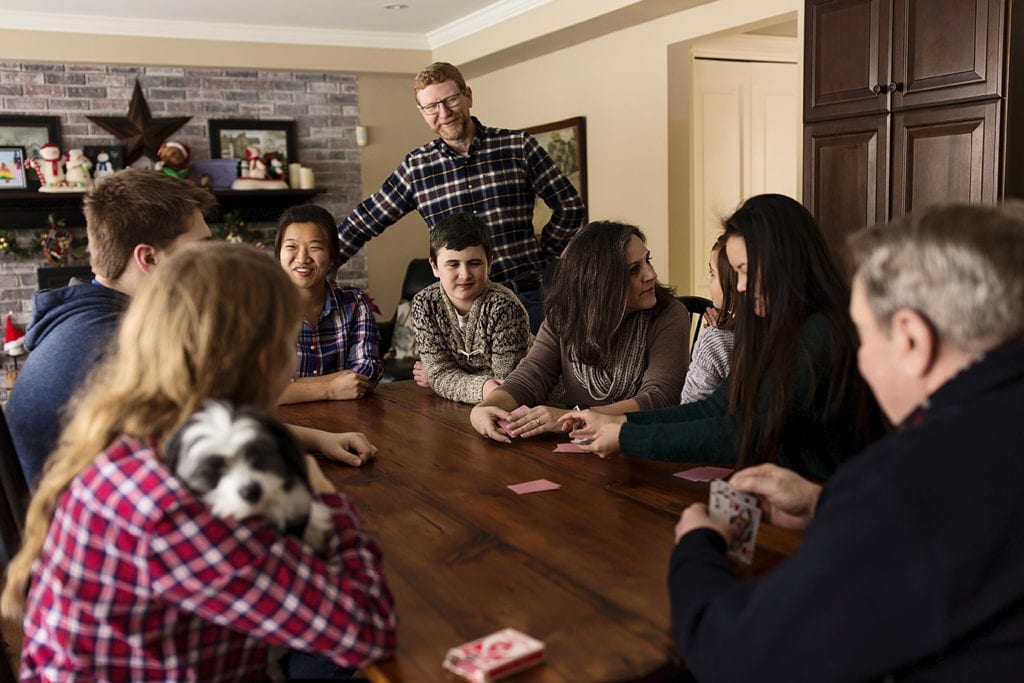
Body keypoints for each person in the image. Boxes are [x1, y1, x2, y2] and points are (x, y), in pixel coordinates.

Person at [0, 243, 397, 680]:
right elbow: (366, 627)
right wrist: (317, 486)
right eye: (292, 341)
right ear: (267, 359)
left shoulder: (133, 437)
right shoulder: (183, 501)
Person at [669, 202, 1024, 681]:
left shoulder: (904, 484)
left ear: (912, 340)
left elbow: (729, 652)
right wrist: (825, 502)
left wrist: (696, 545)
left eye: (864, 335)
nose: (860, 362)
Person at [563, 194, 885, 480]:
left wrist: (626, 436)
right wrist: (618, 422)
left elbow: (744, 433)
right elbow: (714, 408)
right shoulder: (777, 327)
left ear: (782, 261)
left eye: (744, 270)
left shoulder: (821, 332)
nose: (740, 286)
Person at [337, 61, 587, 333]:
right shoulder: (416, 168)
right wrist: (317, 265)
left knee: (536, 375)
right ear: (422, 112)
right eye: (432, 106)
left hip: (525, 297)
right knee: (468, 378)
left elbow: (570, 206)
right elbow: (365, 220)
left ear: (468, 96)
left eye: (451, 99)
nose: (443, 112)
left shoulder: (518, 147)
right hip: (460, 309)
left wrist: (543, 253)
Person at [6, 169, 215, 486]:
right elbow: (203, 455)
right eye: (200, 250)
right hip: (69, 529)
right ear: (150, 258)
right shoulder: (119, 348)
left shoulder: (82, 316)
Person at [470, 220, 689, 441]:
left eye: (647, 260)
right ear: (599, 281)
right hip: (578, 446)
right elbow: (531, 375)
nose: (651, 273)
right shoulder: (564, 314)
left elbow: (660, 398)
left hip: (639, 441)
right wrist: (485, 407)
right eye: (634, 270)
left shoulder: (669, 314)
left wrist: (571, 417)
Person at [409, 212, 532, 404]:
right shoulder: (424, 305)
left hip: (529, 403)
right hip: (465, 405)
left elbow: (505, 387)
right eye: (453, 264)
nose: (464, 275)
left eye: (474, 263)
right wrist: (482, 385)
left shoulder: (505, 307)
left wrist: (445, 378)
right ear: (434, 266)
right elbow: (439, 374)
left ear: (489, 263)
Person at [274, 204, 383, 404]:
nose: (302, 258)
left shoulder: (355, 302)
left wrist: (294, 387)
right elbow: (258, 389)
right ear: (278, 254)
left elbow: (368, 369)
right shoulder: (259, 308)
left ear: (333, 257)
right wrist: (330, 388)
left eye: (314, 247)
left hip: (346, 420)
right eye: (291, 246)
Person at [680, 233, 736, 403]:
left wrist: (715, 336)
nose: (707, 277)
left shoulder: (716, 340)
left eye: (712, 272)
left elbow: (690, 406)